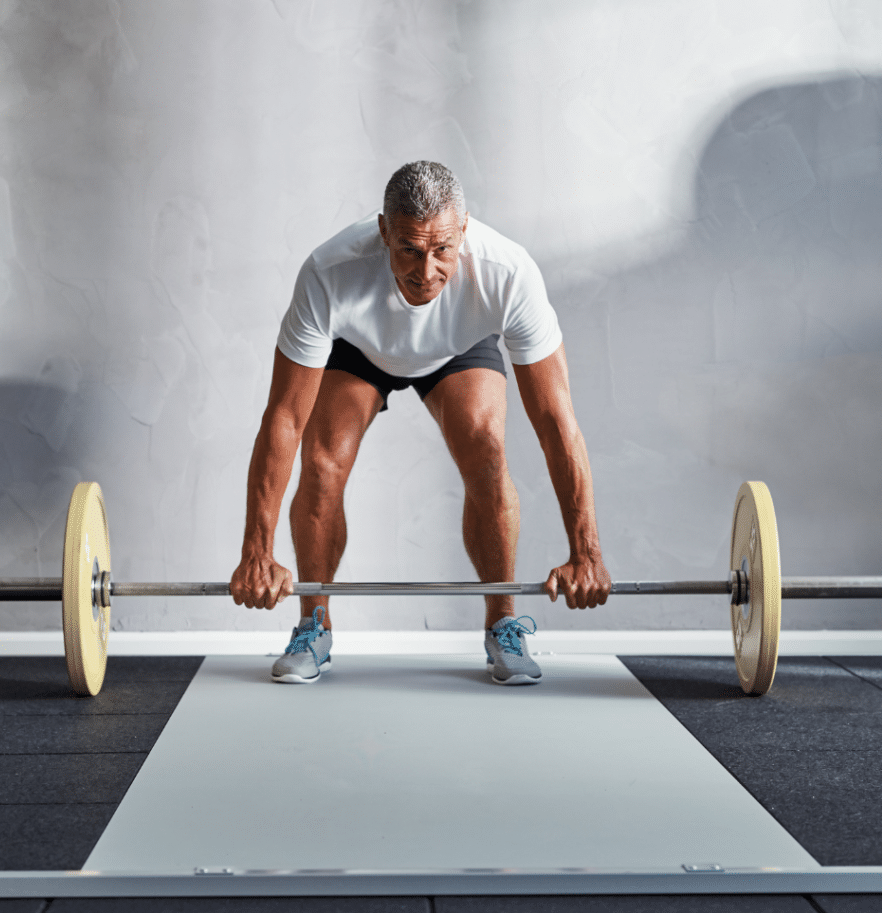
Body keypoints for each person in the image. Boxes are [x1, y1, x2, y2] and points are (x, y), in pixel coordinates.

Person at [230, 161, 611, 684]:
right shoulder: (329, 271)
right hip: (359, 348)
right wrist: (257, 551)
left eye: (443, 250)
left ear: (465, 229)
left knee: (487, 452)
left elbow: (555, 422)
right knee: (321, 460)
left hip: (458, 346)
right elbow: (283, 419)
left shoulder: (508, 272)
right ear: (384, 230)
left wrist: (585, 552)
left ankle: (502, 624)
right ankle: (313, 623)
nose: (426, 271)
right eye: (409, 248)